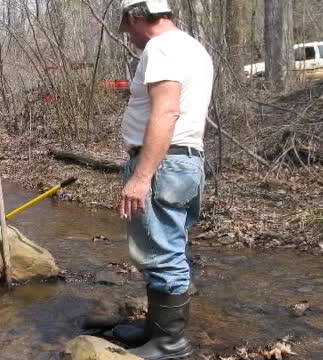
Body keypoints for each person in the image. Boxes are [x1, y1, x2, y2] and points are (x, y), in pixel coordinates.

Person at [114, 0, 213, 359]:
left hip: (163, 164)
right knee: (170, 247)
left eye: (128, 28)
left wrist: (142, 176)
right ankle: (155, 332)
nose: (130, 37)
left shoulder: (162, 48)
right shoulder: (191, 46)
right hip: (183, 162)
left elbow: (167, 110)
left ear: (137, 17)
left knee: (162, 255)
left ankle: (170, 344)